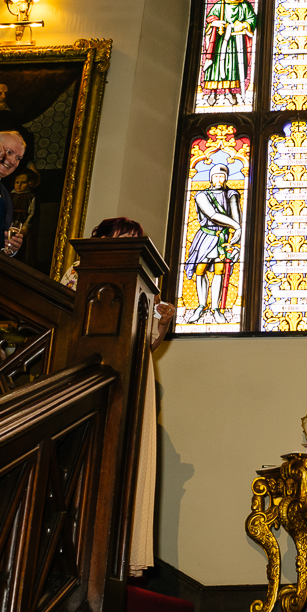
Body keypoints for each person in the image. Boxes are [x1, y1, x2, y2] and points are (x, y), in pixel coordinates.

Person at [76, 216, 176, 578]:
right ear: (102, 239)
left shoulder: (144, 283)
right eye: (125, 240)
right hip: (91, 369)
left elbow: (146, 342)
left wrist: (161, 324)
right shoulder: (79, 271)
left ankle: (124, 556)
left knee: (129, 459)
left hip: (134, 375)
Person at [184, 165, 242, 323]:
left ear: (226, 178)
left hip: (223, 238)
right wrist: (235, 226)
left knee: (220, 270)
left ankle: (215, 308)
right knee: (200, 269)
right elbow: (213, 215)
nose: (219, 179)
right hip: (206, 236)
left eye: (222, 176)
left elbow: (237, 218)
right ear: (211, 177)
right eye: (216, 176)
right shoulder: (201, 195)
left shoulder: (232, 194)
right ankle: (201, 305)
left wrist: (236, 239)